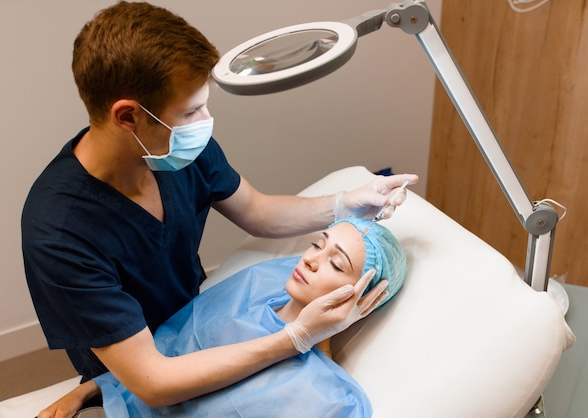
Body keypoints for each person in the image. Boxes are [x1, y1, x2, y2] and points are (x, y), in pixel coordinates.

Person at [21, 2, 418, 417]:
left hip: (204, 320)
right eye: (191, 111)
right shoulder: (59, 230)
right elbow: (154, 382)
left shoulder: (175, 151)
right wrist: (295, 337)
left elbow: (259, 211)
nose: (205, 121)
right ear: (129, 116)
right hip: (134, 369)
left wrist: (345, 202)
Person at [91, 218, 408, 417]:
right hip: (117, 402)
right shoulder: (257, 285)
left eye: (336, 264)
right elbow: (168, 350)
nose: (311, 259)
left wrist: (310, 338)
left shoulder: (327, 396)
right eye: (317, 244)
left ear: (363, 297)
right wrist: (92, 389)